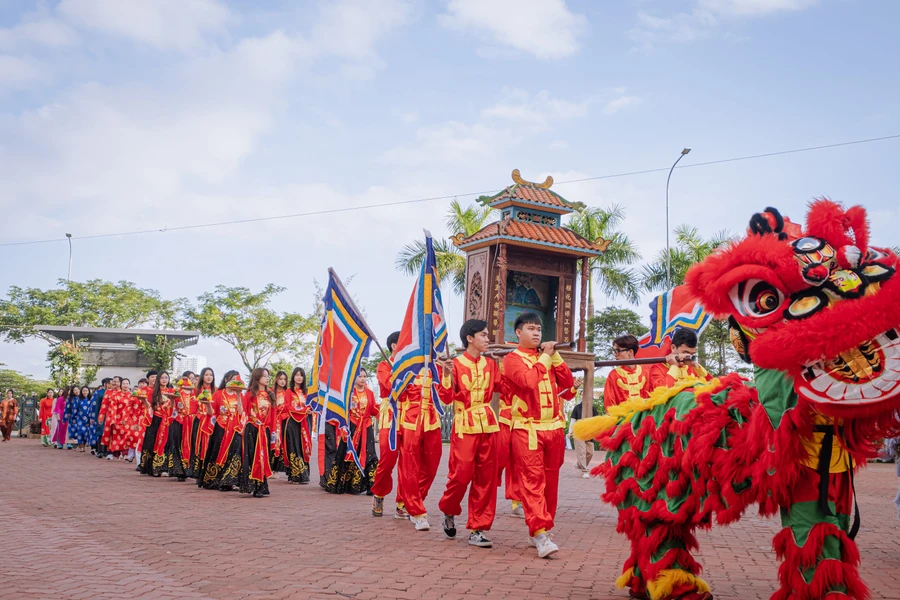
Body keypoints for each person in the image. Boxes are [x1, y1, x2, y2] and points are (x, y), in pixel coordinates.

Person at [502, 312, 575, 558]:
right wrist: (545, 356)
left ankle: (541, 528)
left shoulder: (548, 357)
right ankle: (541, 532)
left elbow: (567, 384)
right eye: (530, 329)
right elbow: (528, 382)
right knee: (533, 481)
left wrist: (554, 355)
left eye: (539, 330)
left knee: (551, 483)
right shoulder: (512, 359)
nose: (536, 333)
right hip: (527, 429)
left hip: (553, 428)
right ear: (518, 333)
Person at [437, 319, 501, 548]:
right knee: (461, 475)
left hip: (488, 425)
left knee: (486, 479)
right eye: (483, 335)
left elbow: (504, 387)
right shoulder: (454, 364)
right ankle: (448, 508)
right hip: (464, 424)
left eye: (487, 335)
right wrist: (445, 375)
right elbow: (445, 399)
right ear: (470, 338)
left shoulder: (491, 364)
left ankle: (478, 528)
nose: (487, 339)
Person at [396, 357, 452, 531]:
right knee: (410, 467)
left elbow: (447, 398)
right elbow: (396, 396)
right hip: (410, 421)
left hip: (432, 420)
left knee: (432, 465)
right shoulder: (406, 365)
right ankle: (417, 512)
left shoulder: (438, 368)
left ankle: (412, 500)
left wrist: (447, 374)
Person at [320, 369, 379, 495]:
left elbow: (374, 409)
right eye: (359, 376)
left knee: (370, 455)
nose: (363, 379)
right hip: (351, 427)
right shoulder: (349, 393)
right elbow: (342, 411)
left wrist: (385, 409)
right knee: (346, 454)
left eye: (364, 376)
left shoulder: (369, 393)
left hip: (366, 427)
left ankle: (372, 486)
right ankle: (344, 484)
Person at [371, 331, 405, 518]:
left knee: (409, 462)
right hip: (390, 414)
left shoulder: (412, 365)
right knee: (388, 459)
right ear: (394, 346)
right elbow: (390, 384)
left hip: (410, 413)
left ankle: (403, 502)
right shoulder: (384, 365)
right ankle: (379, 494)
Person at [198, 371, 245, 491]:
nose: (235, 381)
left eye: (237, 379)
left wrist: (239, 396)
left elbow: (241, 412)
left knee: (235, 451)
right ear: (226, 380)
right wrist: (207, 404)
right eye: (232, 379)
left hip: (235, 428)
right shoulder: (218, 394)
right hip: (221, 427)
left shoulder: (240, 395)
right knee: (217, 451)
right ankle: (215, 479)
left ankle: (230, 480)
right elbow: (212, 413)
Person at [239, 368, 277, 498]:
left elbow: (273, 415)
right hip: (252, 428)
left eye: (268, 376)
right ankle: (253, 485)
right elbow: (243, 411)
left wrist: (273, 433)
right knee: (252, 456)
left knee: (263, 456)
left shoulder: (270, 394)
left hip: (264, 430)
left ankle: (261, 485)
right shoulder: (250, 394)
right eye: (265, 376)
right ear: (257, 378)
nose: (267, 378)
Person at [603, 335, 652, 409]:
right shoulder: (613, 375)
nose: (615, 355)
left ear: (630, 352)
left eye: (618, 351)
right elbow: (609, 405)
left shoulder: (647, 372)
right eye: (614, 351)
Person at [139, 371, 174, 477]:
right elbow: (149, 406)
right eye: (162, 377)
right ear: (158, 379)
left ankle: (164, 468)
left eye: (166, 377)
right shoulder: (153, 392)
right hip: (156, 420)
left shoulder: (172, 391)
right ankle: (152, 468)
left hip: (168, 421)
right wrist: (144, 401)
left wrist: (172, 400)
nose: (164, 380)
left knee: (167, 444)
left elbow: (173, 407)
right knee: (152, 442)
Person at [282, 367, 312, 484]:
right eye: (297, 375)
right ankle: (295, 475)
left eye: (301, 375)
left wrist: (307, 410)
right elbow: (288, 406)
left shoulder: (306, 392)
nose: (299, 377)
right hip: (292, 422)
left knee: (304, 446)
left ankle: (304, 474)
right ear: (293, 377)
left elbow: (310, 405)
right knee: (294, 446)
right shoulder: (289, 391)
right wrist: (303, 411)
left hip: (304, 423)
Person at [166, 373, 195, 481]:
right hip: (178, 422)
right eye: (188, 379)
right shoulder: (176, 393)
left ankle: (189, 470)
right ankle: (179, 470)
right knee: (178, 445)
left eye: (192, 379)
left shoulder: (195, 394)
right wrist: (172, 400)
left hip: (191, 423)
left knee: (190, 446)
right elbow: (171, 407)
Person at [190, 368, 216, 477]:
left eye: (211, 375)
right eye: (206, 375)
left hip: (212, 422)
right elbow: (192, 409)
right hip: (199, 420)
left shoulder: (216, 391)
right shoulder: (196, 391)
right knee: (198, 445)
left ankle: (209, 470)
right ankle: (197, 471)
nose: (209, 377)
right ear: (202, 376)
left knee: (211, 445)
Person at [569, 398, 594, 479]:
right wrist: (570, 432)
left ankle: (579, 464)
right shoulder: (577, 408)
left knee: (590, 452)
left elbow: (596, 420)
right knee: (582, 451)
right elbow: (573, 421)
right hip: (578, 432)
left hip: (589, 432)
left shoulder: (592, 408)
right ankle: (585, 471)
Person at [270, 371, 289, 476]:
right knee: (273, 443)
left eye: (284, 379)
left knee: (282, 445)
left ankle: (277, 470)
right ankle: (270, 469)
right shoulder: (271, 392)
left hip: (284, 421)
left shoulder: (288, 393)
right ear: (276, 379)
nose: (282, 381)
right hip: (273, 421)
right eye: (280, 379)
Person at [69, 386, 95, 451]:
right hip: (80, 419)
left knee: (86, 433)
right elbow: (75, 409)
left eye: (86, 391)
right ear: (81, 391)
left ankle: (85, 445)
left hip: (88, 419)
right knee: (80, 433)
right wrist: (73, 418)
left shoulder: (91, 399)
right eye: (83, 391)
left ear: (89, 391)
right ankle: (81, 447)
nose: (85, 392)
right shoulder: (78, 399)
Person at [90, 379, 111, 457]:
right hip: (101, 415)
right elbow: (96, 406)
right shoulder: (99, 393)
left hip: (110, 416)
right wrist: (96, 417)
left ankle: (106, 450)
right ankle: (100, 450)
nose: (112, 385)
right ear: (106, 384)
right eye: (110, 383)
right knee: (100, 433)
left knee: (108, 433)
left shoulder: (113, 393)